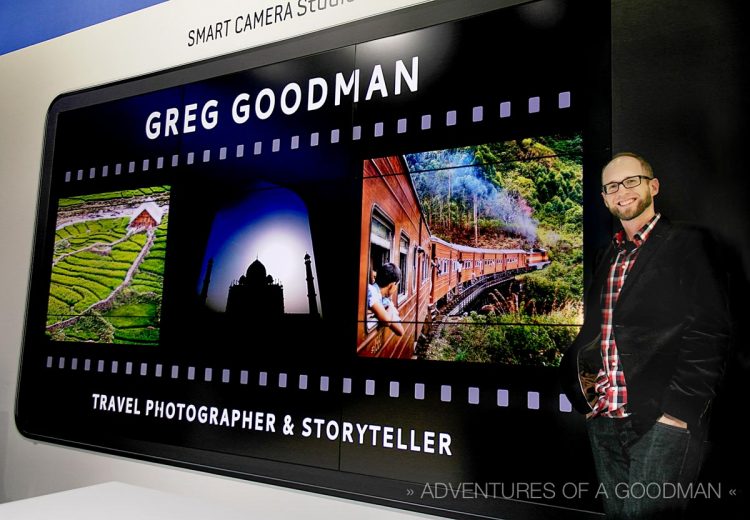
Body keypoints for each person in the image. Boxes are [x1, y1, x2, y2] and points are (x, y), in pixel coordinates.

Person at [560, 152, 730, 519]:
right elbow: (597, 330)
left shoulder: (689, 243)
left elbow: (711, 330)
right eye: (612, 186)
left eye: (631, 181)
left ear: (653, 186)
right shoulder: (608, 255)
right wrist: (586, 397)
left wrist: (678, 413)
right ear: (604, 199)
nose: (622, 191)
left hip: (660, 422)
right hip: (606, 418)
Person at [367, 262, 404, 336]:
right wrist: (390, 307)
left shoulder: (383, 299)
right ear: (392, 285)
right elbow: (387, 321)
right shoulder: (371, 290)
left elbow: (400, 331)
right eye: (397, 285)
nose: (396, 289)